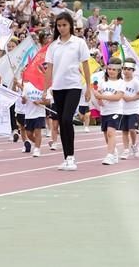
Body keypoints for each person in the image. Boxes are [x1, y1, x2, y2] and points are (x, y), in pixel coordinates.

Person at [44, 11, 91, 171]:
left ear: (70, 25)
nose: (62, 28)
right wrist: (45, 90)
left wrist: (89, 88)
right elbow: (49, 69)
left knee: (66, 120)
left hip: (74, 86)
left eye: (64, 25)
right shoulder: (53, 46)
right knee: (61, 124)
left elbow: (85, 65)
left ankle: (71, 157)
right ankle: (66, 157)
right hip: (57, 88)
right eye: (59, 25)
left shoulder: (79, 43)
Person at [94, 57, 124, 165]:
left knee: (111, 133)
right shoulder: (103, 82)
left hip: (116, 111)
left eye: (114, 70)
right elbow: (98, 94)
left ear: (119, 71)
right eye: (109, 69)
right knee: (107, 135)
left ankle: (110, 155)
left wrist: (102, 96)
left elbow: (118, 97)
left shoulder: (121, 83)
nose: (111, 71)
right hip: (104, 112)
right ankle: (113, 152)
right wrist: (99, 98)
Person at [120, 59, 139, 159]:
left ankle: (134, 145)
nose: (126, 71)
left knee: (132, 129)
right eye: (124, 69)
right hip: (122, 110)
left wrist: (130, 98)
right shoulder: (120, 82)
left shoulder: (136, 82)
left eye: (129, 69)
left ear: (133, 70)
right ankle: (125, 150)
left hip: (133, 110)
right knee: (124, 131)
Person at [21, 78, 48, 157]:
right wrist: (23, 99)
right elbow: (23, 102)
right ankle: (37, 143)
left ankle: (37, 148)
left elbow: (48, 101)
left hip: (39, 114)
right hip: (29, 114)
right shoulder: (27, 86)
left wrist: (40, 102)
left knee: (37, 131)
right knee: (29, 134)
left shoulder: (43, 86)